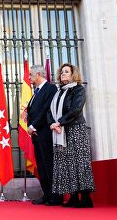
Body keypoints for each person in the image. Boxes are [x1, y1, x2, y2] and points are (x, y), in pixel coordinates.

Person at [47, 63, 95, 208]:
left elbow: (75, 109)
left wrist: (59, 123)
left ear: (73, 74)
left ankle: (86, 198)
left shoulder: (78, 90)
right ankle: (73, 197)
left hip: (75, 130)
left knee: (80, 163)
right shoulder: (58, 92)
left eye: (66, 72)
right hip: (61, 131)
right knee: (67, 164)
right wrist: (52, 124)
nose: (63, 74)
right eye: (61, 72)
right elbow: (50, 111)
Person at [27, 65, 63, 206]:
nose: (29, 78)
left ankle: (56, 196)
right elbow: (33, 111)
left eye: (30, 75)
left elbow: (46, 110)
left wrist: (33, 126)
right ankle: (47, 195)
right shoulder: (36, 91)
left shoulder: (50, 89)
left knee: (49, 165)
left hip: (46, 133)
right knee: (41, 166)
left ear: (39, 74)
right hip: (37, 135)